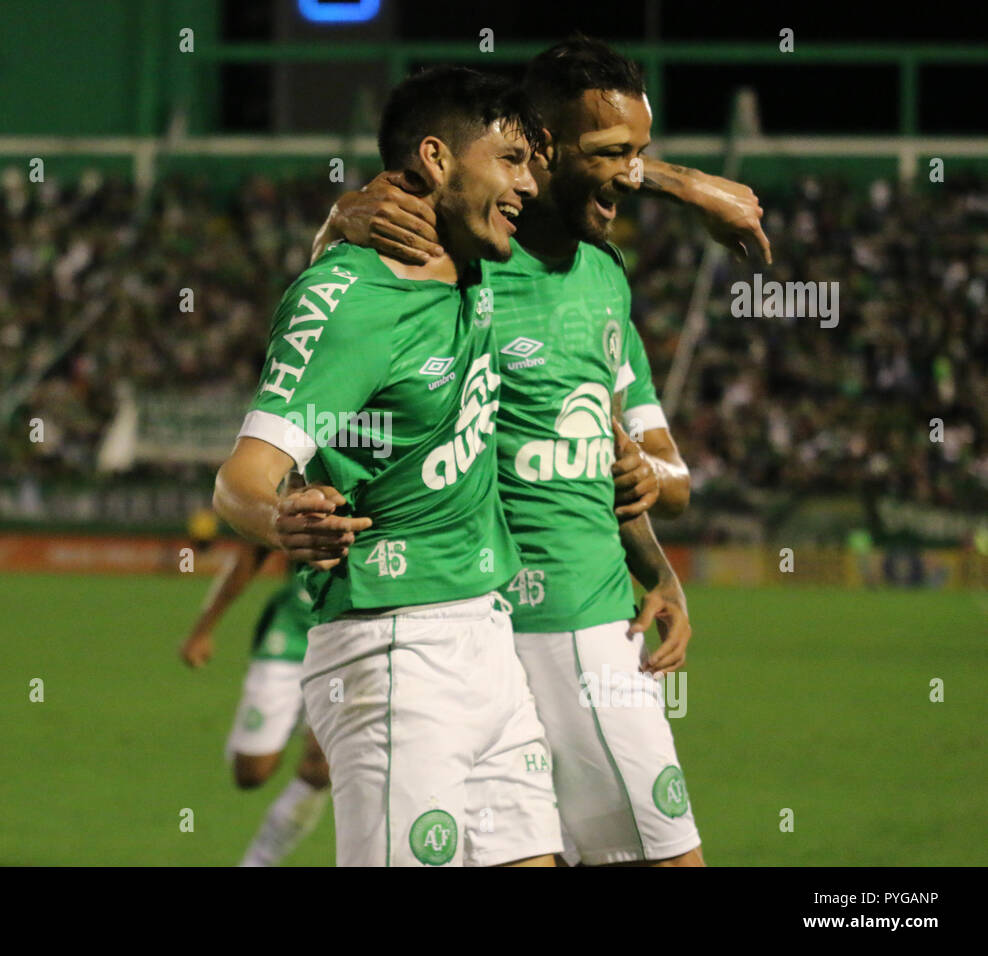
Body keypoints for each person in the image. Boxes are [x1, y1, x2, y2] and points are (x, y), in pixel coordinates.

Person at [308, 36, 776, 866]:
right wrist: (339, 214)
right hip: (521, 618)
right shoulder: (471, 254)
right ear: (543, 150)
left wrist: (657, 567)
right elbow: (340, 291)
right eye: (615, 156)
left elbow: (658, 475)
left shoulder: (604, 273)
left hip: (593, 610)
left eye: (644, 154)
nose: (632, 172)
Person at [215, 66, 560, 867]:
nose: (528, 185)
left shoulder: (482, 263)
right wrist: (281, 520)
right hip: (393, 653)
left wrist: (694, 187)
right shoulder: (348, 298)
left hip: (490, 640)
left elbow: (594, 166)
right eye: (509, 161)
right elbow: (242, 477)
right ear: (436, 160)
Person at [179, 539, 330, 867]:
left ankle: (257, 861)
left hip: (348, 637)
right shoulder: (300, 487)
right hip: (291, 634)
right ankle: (286, 723)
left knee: (322, 765)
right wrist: (203, 629)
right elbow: (252, 552)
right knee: (250, 772)